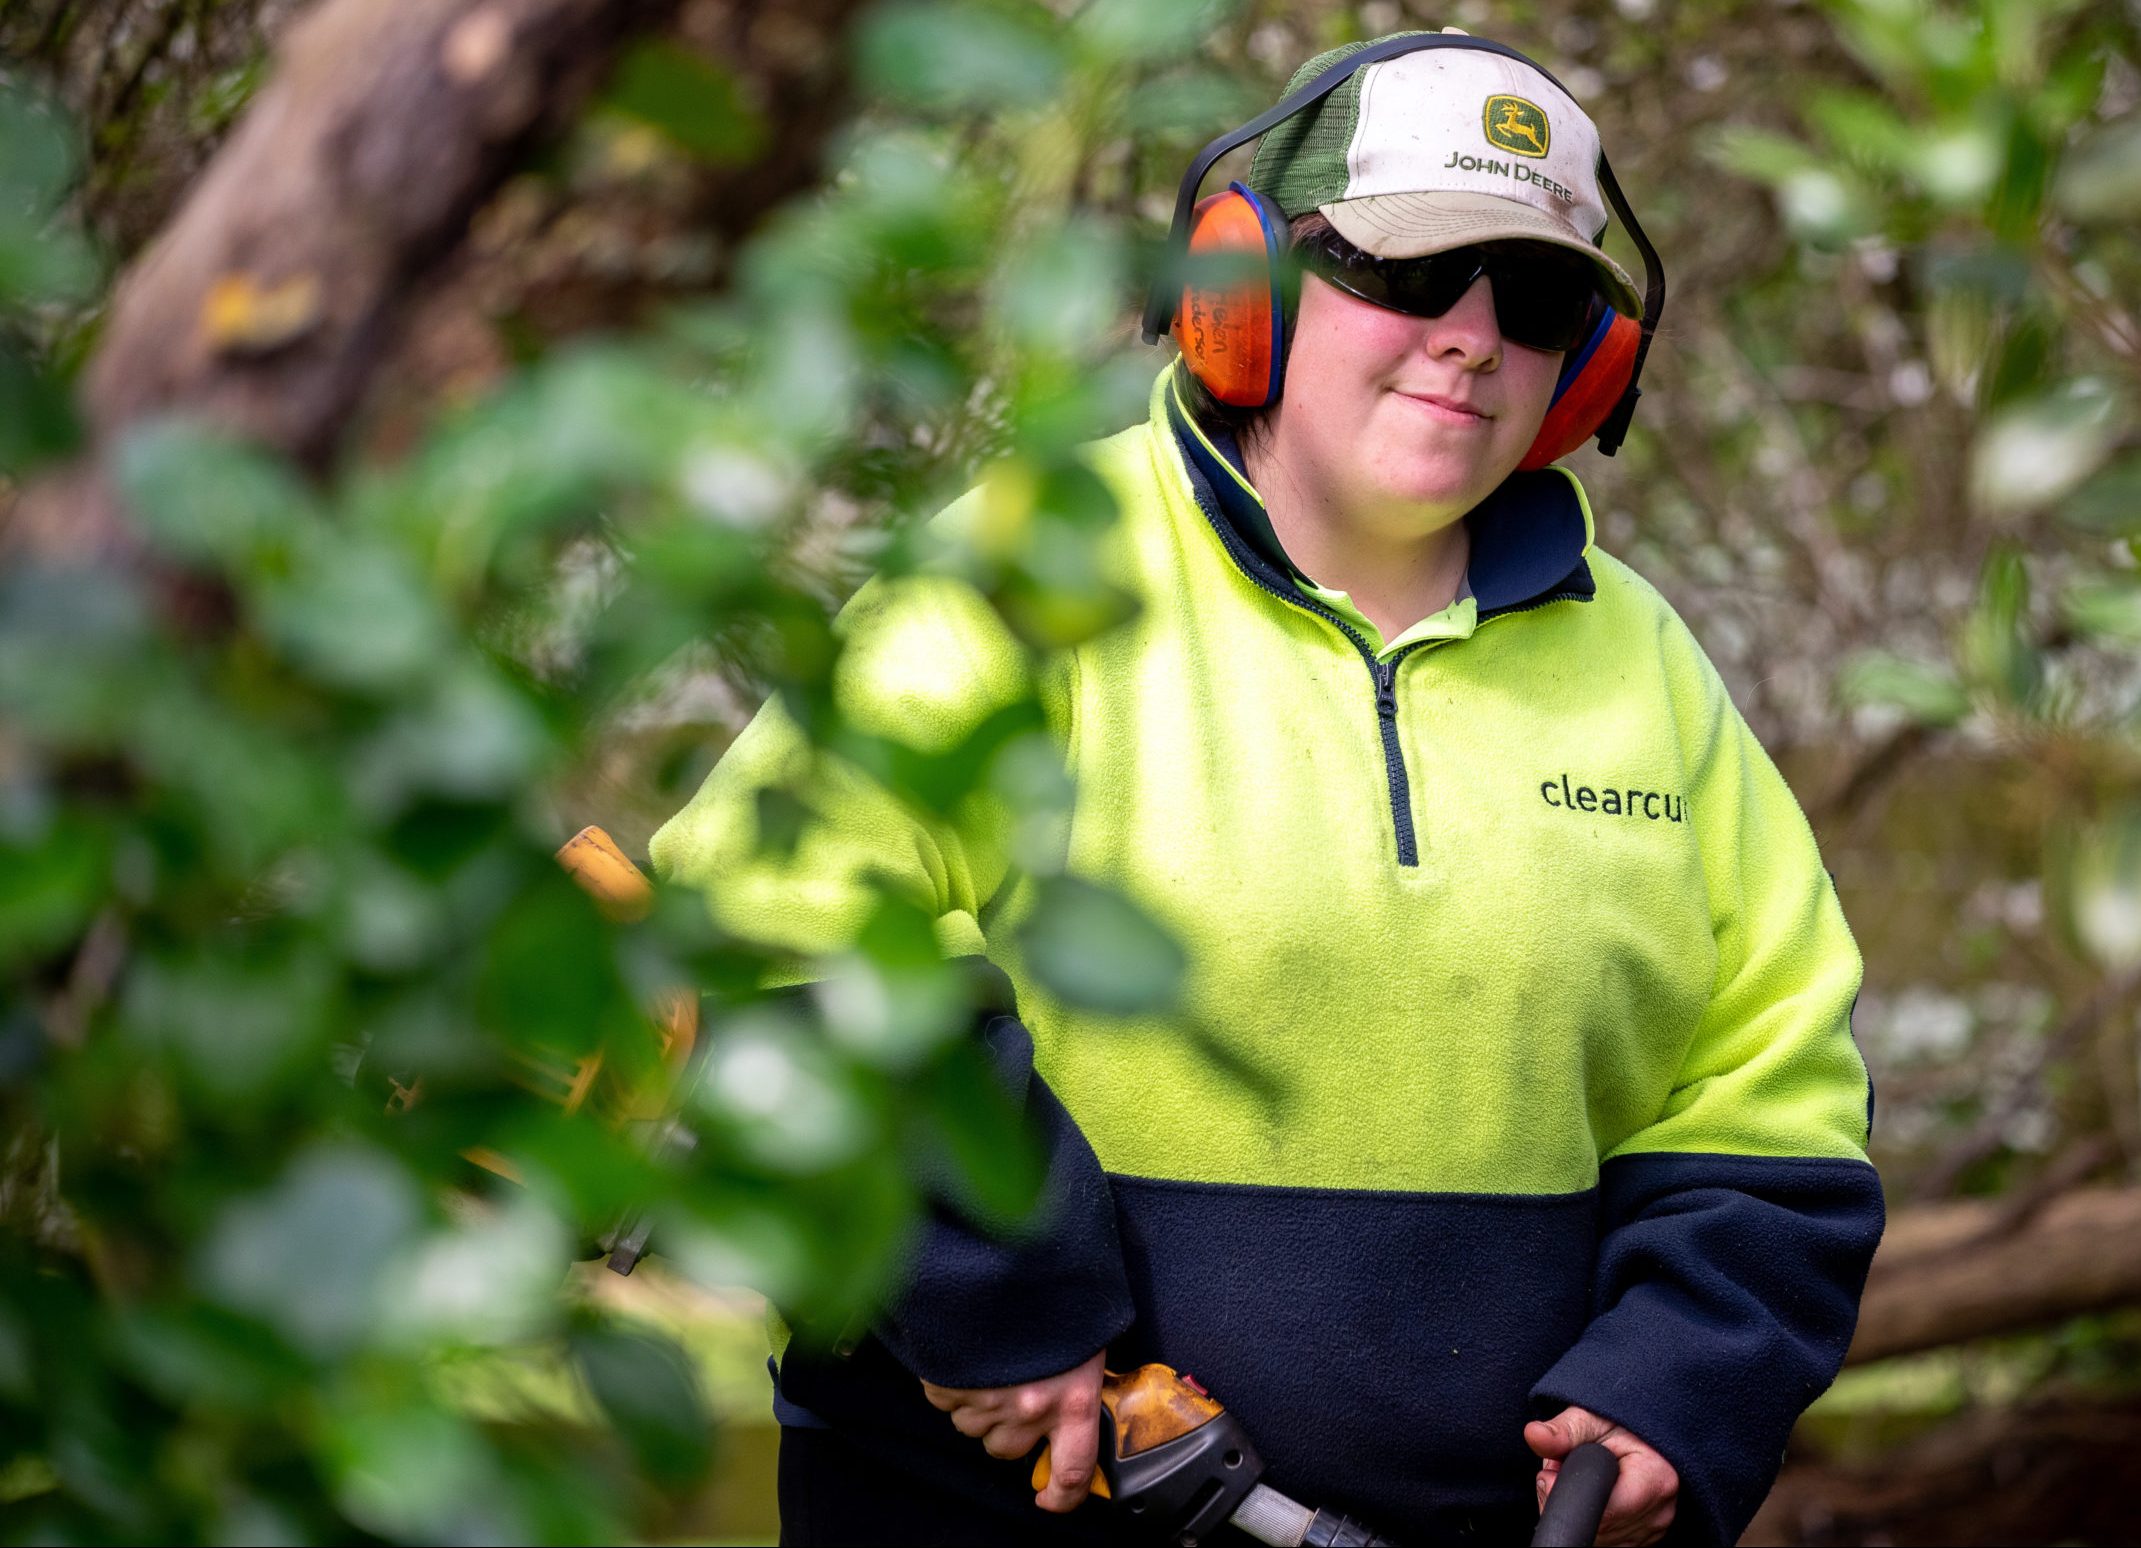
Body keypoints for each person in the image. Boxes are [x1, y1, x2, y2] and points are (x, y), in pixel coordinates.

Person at [652, 28, 1883, 1548]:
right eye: (1412, 274)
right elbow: (774, 917)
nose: (1471, 338)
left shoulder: (1642, 667)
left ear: (1587, 365)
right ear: (1245, 293)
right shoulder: (1023, 568)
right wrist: (1001, 1301)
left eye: (1538, 297)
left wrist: (1673, 1390)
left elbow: (1773, 1096)